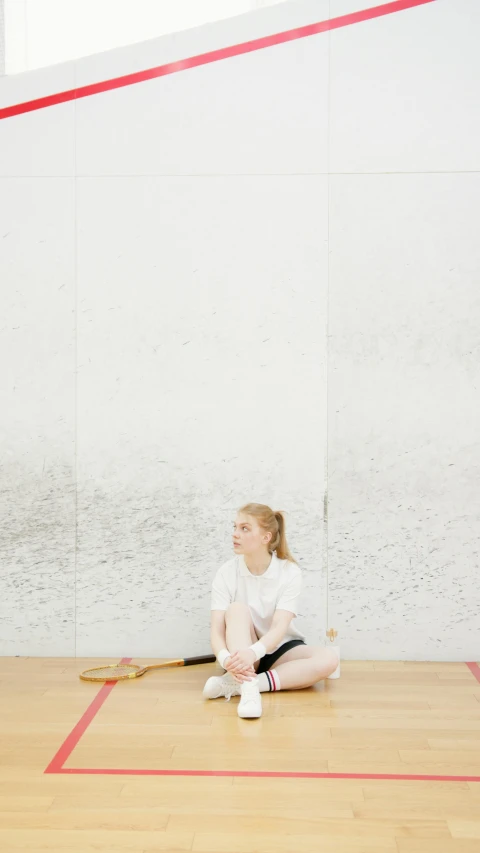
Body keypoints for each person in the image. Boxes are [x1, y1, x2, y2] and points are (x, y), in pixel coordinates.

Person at [203, 503, 339, 718]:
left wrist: (252, 653)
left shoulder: (289, 572)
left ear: (266, 537)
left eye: (244, 528)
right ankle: (247, 689)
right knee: (236, 609)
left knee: (329, 659)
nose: (235, 534)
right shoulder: (226, 572)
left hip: (277, 649)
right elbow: (217, 631)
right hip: (241, 651)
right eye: (235, 527)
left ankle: (245, 685)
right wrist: (225, 659)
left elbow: (279, 628)